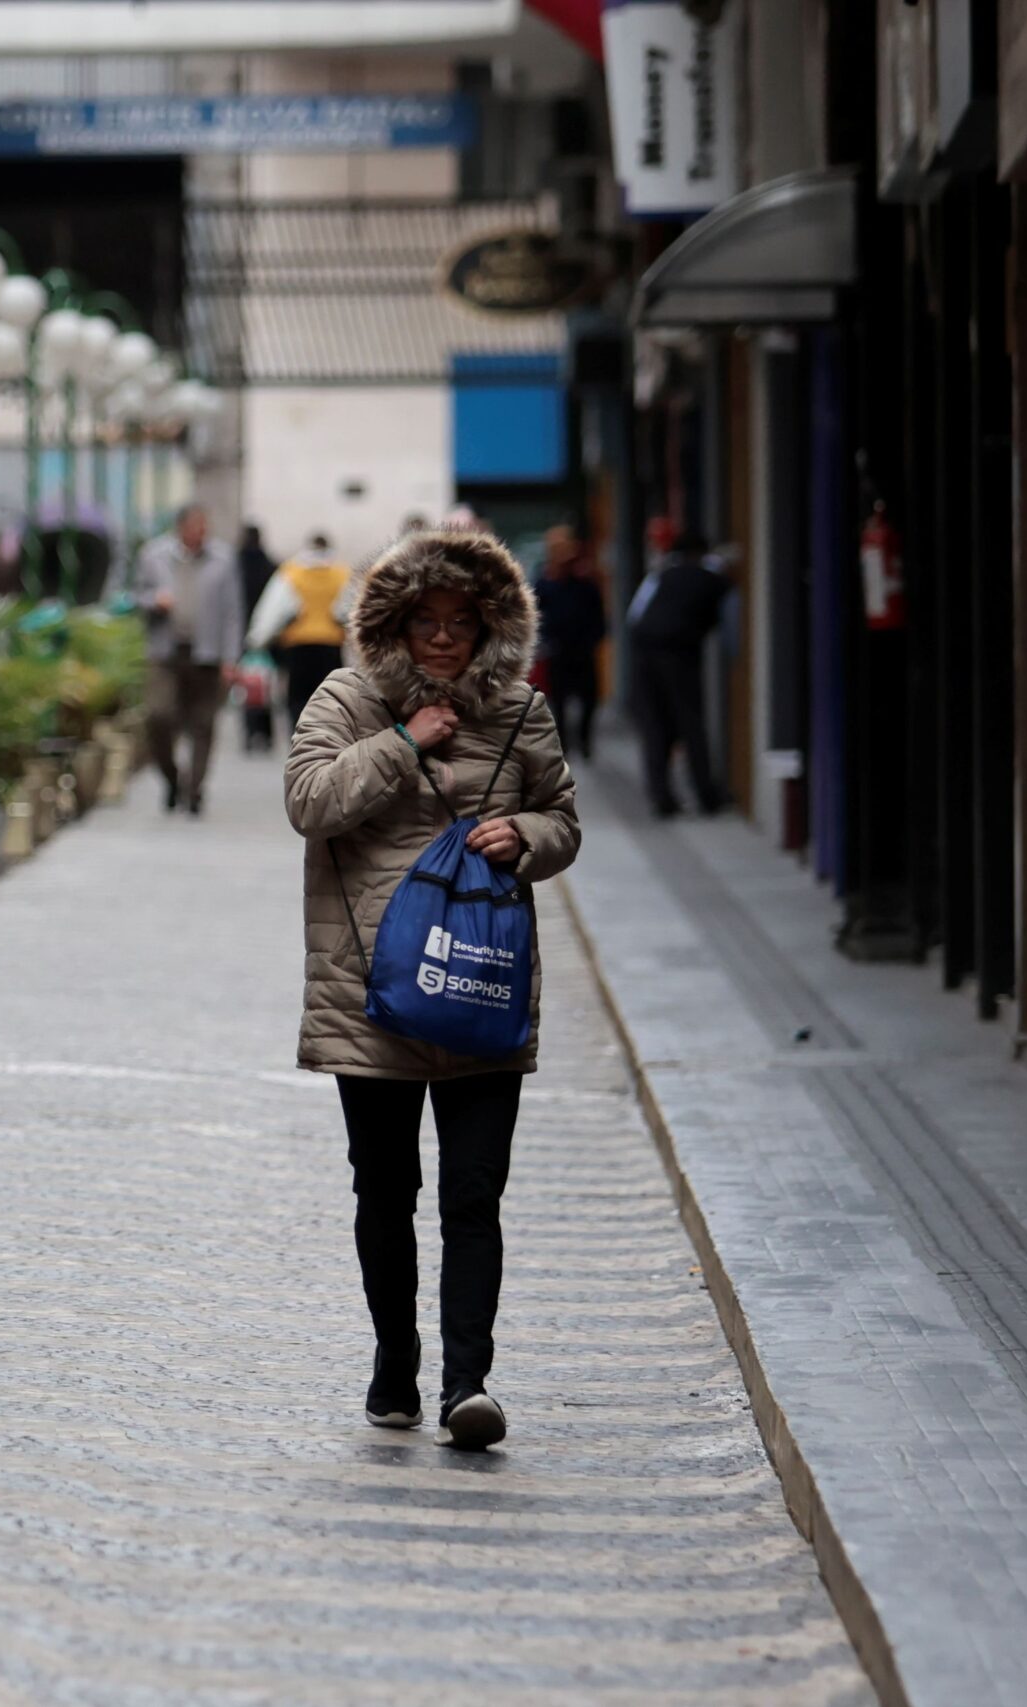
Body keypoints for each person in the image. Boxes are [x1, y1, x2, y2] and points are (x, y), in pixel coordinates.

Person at [282, 529, 582, 1451]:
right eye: (427, 622)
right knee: (385, 1187)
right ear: (395, 626)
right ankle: (393, 1362)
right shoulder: (346, 698)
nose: (445, 639)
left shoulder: (523, 710)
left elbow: (565, 819)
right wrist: (403, 745)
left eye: (463, 622)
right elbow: (308, 802)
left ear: (491, 626)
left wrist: (524, 835)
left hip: (482, 985)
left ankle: (467, 1382)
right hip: (367, 991)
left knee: (474, 1192)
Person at [131, 504, 245, 815]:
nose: (202, 532)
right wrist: (154, 600)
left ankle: (194, 790)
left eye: (204, 527)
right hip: (165, 652)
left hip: (206, 653)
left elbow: (232, 612)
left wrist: (231, 657)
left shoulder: (222, 558)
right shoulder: (153, 555)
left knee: (203, 723)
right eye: (196, 526)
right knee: (158, 716)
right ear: (180, 528)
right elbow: (134, 596)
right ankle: (172, 779)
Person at [626, 523, 727, 817]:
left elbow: (635, 615)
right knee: (691, 724)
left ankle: (662, 798)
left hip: (645, 655)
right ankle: (707, 796)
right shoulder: (712, 580)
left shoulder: (660, 577)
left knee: (655, 727)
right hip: (680, 656)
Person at [245, 532, 353, 736]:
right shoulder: (341, 572)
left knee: (298, 697)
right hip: (330, 645)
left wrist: (256, 639)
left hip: (298, 645)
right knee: (330, 694)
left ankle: (299, 734)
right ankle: (328, 734)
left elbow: (274, 609)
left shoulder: (291, 571)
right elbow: (346, 608)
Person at [533, 522, 607, 759]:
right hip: (557, 650)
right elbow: (535, 616)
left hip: (582, 649)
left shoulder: (585, 583)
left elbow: (598, 615)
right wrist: (544, 642)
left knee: (589, 699)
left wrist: (594, 638)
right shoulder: (544, 583)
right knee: (559, 701)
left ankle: (584, 740)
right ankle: (564, 743)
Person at [235, 524, 280, 753]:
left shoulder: (235, 565)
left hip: (241, 632)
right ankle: (266, 733)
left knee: (247, 685)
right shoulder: (271, 565)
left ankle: (250, 731)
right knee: (266, 685)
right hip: (267, 633)